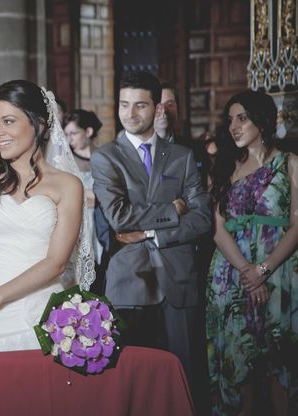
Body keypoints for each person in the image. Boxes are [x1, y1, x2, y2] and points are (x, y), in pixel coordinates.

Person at [0, 80, 88, 354]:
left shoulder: (68, 186)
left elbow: (56, 262)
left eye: (8, 121)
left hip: (39, 314)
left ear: (39, 123)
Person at [90, 71, 211, 380]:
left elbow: (201, 219)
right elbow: (118, 215)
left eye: (140, 105)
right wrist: (172, 209)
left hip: (179, 282)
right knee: (134, 384)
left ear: (157, 108)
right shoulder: (106, 157)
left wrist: (150, 232)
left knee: (184, 379)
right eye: (123, 104)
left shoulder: (182, 157)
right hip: (129, 283)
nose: (130, 114)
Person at [206, 90, 298, 415]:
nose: (234, 126)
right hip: (231, 276)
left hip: (281, 274)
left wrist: (265, 269)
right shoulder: (224, 167)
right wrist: (248, 271)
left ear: (261, 119)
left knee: (281, 370)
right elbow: (216, 227)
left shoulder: (289, 163)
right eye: (230, 120)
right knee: (237, 369)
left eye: (242, 118)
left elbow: (297, 225)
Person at [64, 109, 106, 289]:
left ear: (88, 132)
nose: (69, 139)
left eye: (73, 133)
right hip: (79, 223)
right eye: (66, 134)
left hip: (102, 220)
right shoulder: (66, 160)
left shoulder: (104, 156)